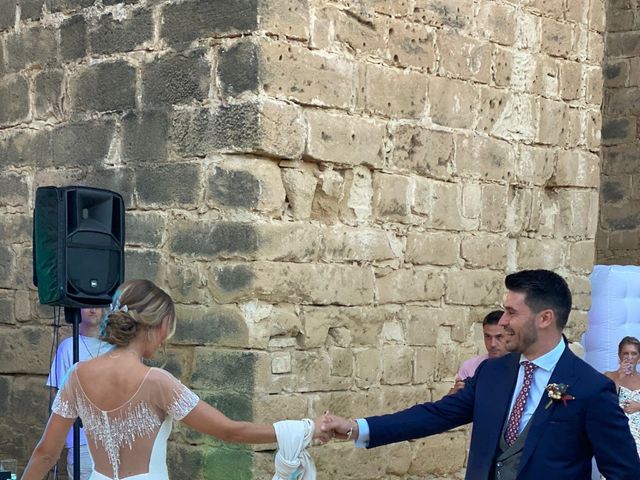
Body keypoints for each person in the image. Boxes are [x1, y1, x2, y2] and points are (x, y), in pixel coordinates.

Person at [321, 269, 640, 479]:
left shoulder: (591, 388)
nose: (502, 322)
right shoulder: (492, 372)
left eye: (512, 312)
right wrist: (354, 428)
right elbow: (434, 415)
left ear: (544, 318)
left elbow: (624, 472)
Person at [22, 279, 329, 480]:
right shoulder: (158, 382)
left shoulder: (77, 374)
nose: (164, 341)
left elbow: (46, 453)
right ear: (160, 324)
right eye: (167, 331)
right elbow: (230, 431)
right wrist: (307, 428)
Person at [46, 307, 114, 480]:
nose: (92, 310)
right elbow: (58, 395)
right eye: (87, 305)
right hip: (82, 443)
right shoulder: (68, 347)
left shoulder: (115, 348)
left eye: (97, 305)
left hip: (114, 442)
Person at [449, 310, 506, 395]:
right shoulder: (469, 367)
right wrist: (452, 396)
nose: (492, 344)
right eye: (487, 336)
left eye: (499, 337)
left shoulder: (521, 366)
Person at [604, 336, 640, 459]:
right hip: (617, 433)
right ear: (619, 356)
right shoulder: (609, 375)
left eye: (634, 354)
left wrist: (639, 406)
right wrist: (619, 377)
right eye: (626, 353)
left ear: (639, 357)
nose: (629, 357)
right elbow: (606, 401)